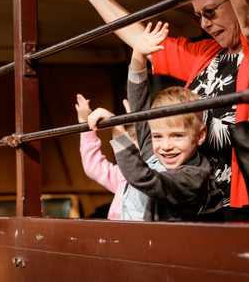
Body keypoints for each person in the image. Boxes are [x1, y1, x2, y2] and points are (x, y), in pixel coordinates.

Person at [68, 0, 249, 221]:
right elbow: (144, 43)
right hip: (196, 200)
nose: (204, 24)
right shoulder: (205, 53)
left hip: (244, 197)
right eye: (198, 17)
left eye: (210, 12)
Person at [87, 81, 211, 222]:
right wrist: (138, 59)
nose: (166, 146)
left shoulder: (193, 177)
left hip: (156, 242)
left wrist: (117, 129)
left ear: (200, 135)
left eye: (177, 135)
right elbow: (139, 108)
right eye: (157, 136)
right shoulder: (153, 155)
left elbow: (143, 178)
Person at [74, 93, 128, 220]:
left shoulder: (153, 176)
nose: (130, 156)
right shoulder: (123, 178)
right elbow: (94, 166)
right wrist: (86, 125)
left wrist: (116, 125)